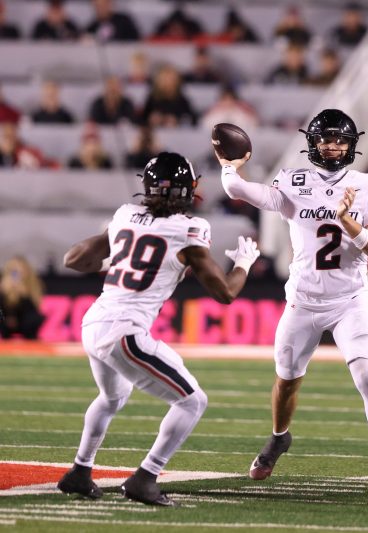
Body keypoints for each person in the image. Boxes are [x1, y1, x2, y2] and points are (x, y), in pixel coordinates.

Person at [57, 152, 260, 506]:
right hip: (125, 332)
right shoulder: (190, 229)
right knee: (192, 401)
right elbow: (225, 293)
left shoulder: (125, 215)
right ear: (189, 190)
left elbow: (72, 259)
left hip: (94, 322)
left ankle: (79, 472)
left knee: (112, 398)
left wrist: (115, 256)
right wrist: (244, 263)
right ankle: (145, 477)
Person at [217, 109, 368, 480]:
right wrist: (230, 167)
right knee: (286, 381)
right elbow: (237, 190)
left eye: (339, 140)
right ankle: (279, 436)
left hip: (349, 301)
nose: (332, 147)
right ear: (313, 143)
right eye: (325, 139)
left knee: (366, 377)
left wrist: (347, 220)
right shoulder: (293, 181)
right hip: (303, 301)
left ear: (351, 144)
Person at [0, 256, 45, 340]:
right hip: (6, 319)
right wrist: (4, 293)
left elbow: (34, 309)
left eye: (20, 271)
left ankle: (31, 340)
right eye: (14, 271)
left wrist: (24, 295)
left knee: (35, 318)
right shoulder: (3, 286)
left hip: (25, 320)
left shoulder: (33, 285)